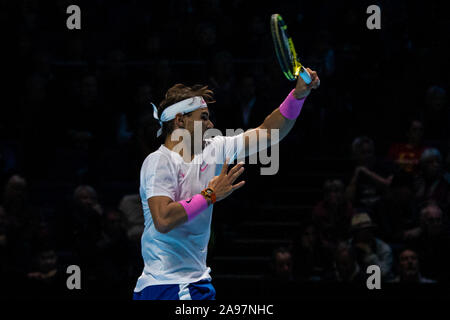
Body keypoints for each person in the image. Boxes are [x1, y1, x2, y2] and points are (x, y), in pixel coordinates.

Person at [133, 68, 321, 300]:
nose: (210, 123)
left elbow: (269, 133)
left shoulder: (215, 148)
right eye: (203, 117)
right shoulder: (159, 161)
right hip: (171, 286)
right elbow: (163, 220)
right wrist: (210, 195)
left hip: (192, 282)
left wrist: (298, 96)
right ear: (180, 120)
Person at [349, 212, 394, 281]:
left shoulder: (383, 248)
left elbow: (384, 273)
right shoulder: (347, 247)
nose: (366, 233)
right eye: (362, 230)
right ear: (355, 233)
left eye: (368, 229)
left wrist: (370, 254)